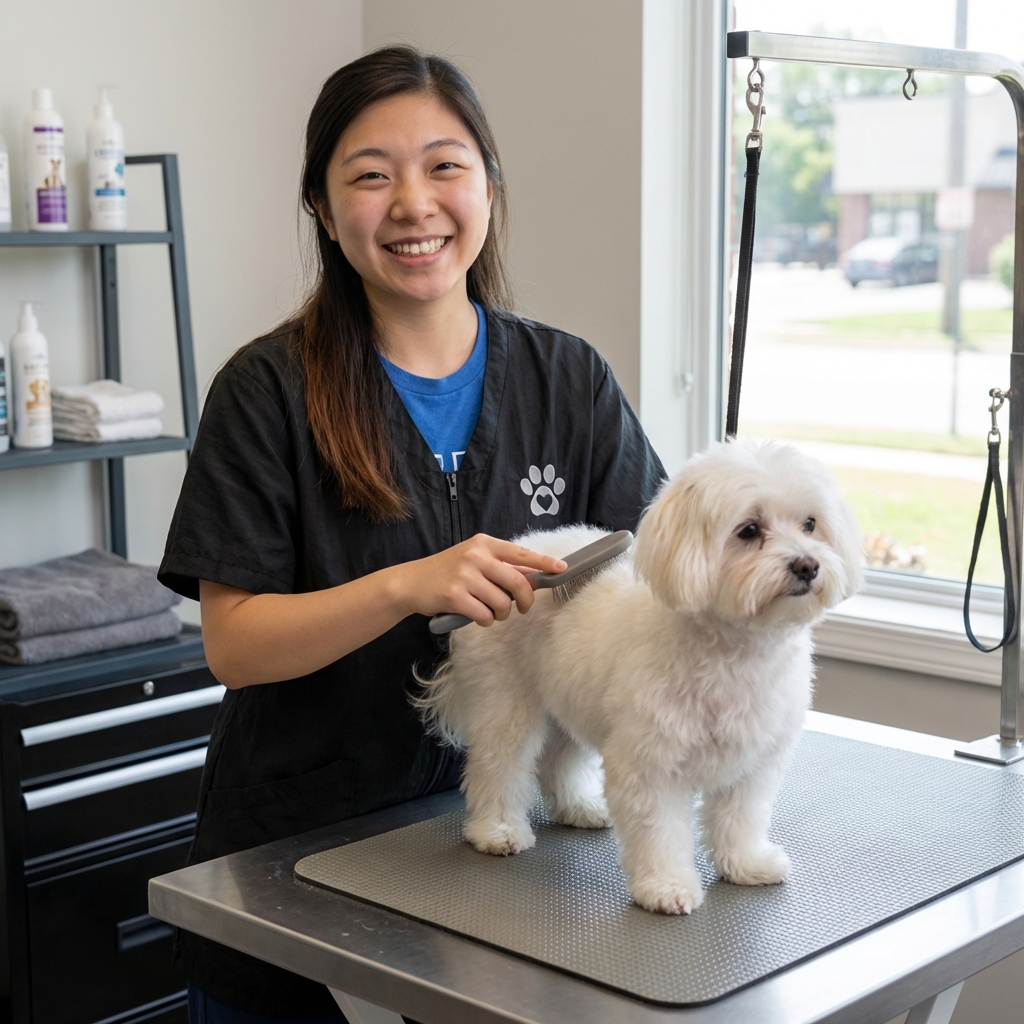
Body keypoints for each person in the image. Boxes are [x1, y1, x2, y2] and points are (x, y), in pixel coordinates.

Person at [158, 45, 665, 1023]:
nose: (412, 203)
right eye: (370, 174)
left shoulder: (570, 380)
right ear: (321, 204)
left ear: (488, 185)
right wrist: (406, 584)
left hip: (501, 863)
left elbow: (650, 578)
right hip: (297, 861)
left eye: (443, 165)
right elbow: (235, 643)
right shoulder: (265, 393)